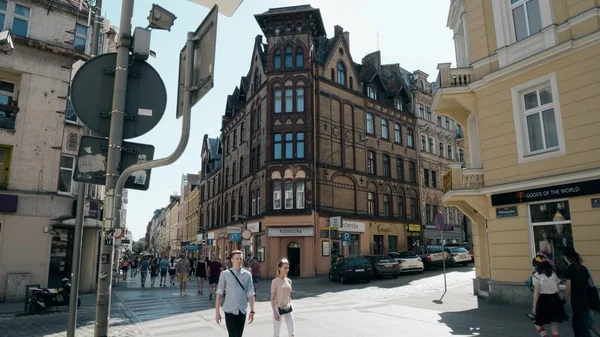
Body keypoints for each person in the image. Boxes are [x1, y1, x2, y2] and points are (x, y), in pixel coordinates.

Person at [215, 250, 255, 337]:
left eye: (240, 258)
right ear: (232, 260)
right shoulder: (224, 274)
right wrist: (217, 313)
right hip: (230, 311)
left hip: (242, 310)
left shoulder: (247, 275)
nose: (239, 261)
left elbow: (251, 294)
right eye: (237, 258)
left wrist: (252, 310)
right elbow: (219, 294)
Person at [531, 255, 567, 337]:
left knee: (537, 323)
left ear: (536, 265)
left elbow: (536, 292)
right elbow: (557, 289)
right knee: (554, 328)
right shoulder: (553, 273)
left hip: (544, 300)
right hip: (555, 299)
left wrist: (534, 306)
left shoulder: (536, 275)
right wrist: (559, 302)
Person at [563, 248, 593, 337]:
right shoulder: (583, 268)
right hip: (586, 298)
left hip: (577, 299)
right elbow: (590, 284)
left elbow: (568, 288)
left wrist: (564, 299)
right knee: (581, 322)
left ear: (567, 258)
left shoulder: (569, 270)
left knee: (579, 324)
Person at [271, 258, 295, 337]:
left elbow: (289, 295)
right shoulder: (275, 281)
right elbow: (272, 298)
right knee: (276, 333)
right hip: (278, 308)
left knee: (292, 332)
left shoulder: (289, 281)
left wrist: (290, 304)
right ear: (279, 268)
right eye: (285, 267)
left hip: (288, 308)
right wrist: (274, 312)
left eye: (288, 267)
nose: (287, 269)